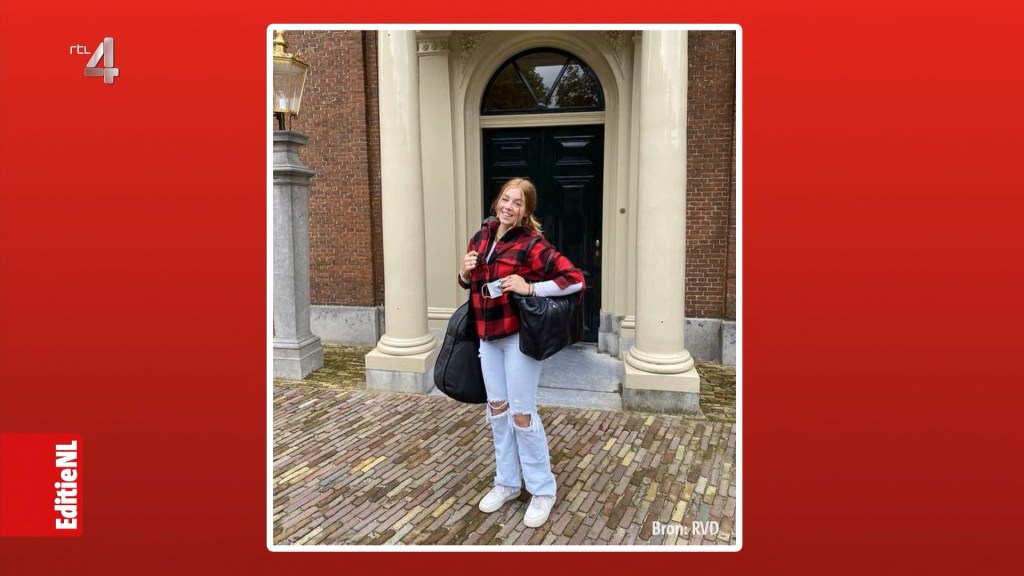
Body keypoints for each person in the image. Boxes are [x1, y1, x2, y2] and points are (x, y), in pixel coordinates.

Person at [457, 177, 585, 528]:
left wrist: (531, 288)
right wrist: (464, 274)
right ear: (497, 201)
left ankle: (542, 489)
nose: (509, 207)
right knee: (498, 411)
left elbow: (574, 279)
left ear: (526, 210)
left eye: (517, 203)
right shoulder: (481, 237)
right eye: (505, 199)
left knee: (522, 415)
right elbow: (471, 284)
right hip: (487, 337)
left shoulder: (532, 244)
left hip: (518, 339)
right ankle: (508, 483)